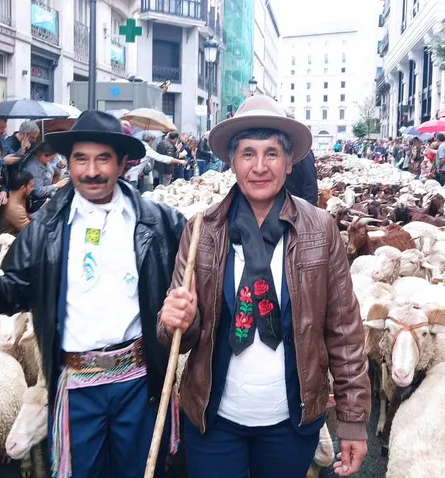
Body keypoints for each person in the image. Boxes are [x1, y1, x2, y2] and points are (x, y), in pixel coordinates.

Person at [0, 110, 187, 478]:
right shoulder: (46, 227)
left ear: (122, 164)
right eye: (80, 159)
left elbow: (195, 274)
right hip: (76, 384)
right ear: (68, 163)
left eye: (103, 159)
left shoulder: (160, 222)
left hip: (138, 381)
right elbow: (15, 291)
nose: (91, 171)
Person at [158, 95, 370, 477]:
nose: (259, 167)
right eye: (248, 154)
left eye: (272, 153)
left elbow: (344, 330)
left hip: (289, 423)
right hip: (215, 421)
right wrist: (176, 319)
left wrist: (353, 420)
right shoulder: (202, 230)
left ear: (289, 163)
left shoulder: (320, 230)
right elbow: (178, 334)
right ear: (232, 162)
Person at [22, 141, 68, 213]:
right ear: (43, 155)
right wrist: (56, 185)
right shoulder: (33, 168)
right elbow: (38, 191)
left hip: (49, 193)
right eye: (51, 159)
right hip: (38, 201)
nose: (51, 161)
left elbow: (49, 169)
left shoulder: (43, 161)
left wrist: (58, 165)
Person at [0, 171, 33, 235]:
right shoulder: (15, 208)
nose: (32, 189)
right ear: (23, 188)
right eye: (31, 186)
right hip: (10, 239)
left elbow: (24, 215)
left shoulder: (16, 196)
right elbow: (31, 232)